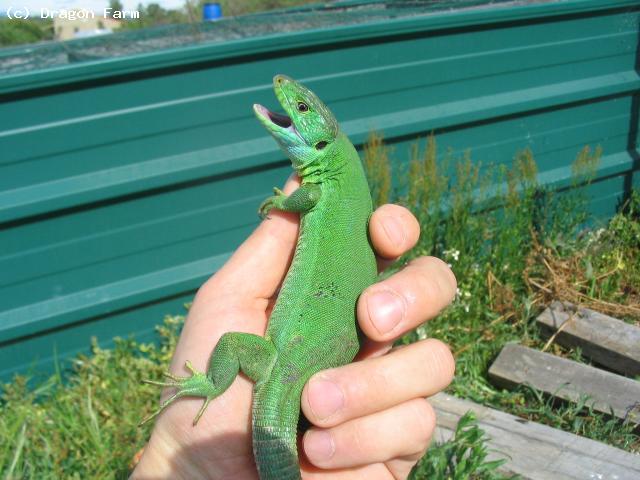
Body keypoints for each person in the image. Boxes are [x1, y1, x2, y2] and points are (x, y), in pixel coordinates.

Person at [132, 176, 457, 480]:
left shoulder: (316, 187)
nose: (294, 111)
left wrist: (213, 387)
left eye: (302, 108)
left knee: (232, 347)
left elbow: (310, 194)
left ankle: (213, 384)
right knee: (236, 346)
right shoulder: (326, 187)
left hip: (274, 367)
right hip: (289, 382)